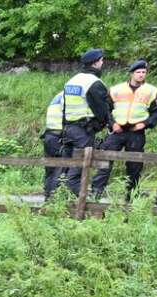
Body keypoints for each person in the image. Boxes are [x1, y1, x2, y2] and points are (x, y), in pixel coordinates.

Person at [43, 50, 114, 201]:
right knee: (78, 171)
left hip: (68, 130)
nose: (103, 63)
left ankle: (54, 201)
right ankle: (85, 205)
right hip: (83, 131)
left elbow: (65, 108)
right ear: (96, 62)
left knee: (63, 168)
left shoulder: (71, 81)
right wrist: (108, 124)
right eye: (102, 60)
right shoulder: (94, 82)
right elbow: (102, 109)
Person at [93, 61, 157, 201]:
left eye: (144, 72)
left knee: (135, 165)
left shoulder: (152, 91)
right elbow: (105, 109)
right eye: (138, 72)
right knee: (105, 161)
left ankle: (132, 196)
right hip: (117, 131)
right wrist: (112, 124)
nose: (141, 75)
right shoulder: (116, 89)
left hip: (136, 132)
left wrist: (145, 124)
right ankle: (95, 194)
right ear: (131, 73)